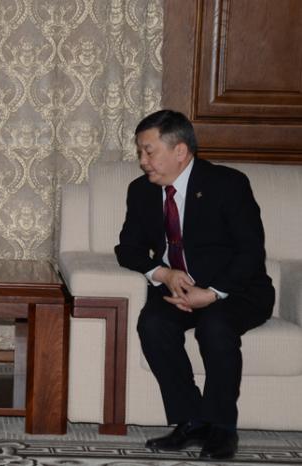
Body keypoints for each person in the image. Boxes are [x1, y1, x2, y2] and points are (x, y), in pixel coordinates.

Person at [115, 109, 274, 460]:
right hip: (178, 288)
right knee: (153, 324)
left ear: (180, 151)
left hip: (237, 289)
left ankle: (222, 427)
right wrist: (164, 274)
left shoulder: (228, 184)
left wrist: (213, 293)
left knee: (215, 326)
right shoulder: (141, 191)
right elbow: (127, 249)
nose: (142, 161)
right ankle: (192, 421)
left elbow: (250, 251)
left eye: (149, 151)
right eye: (140, 152)